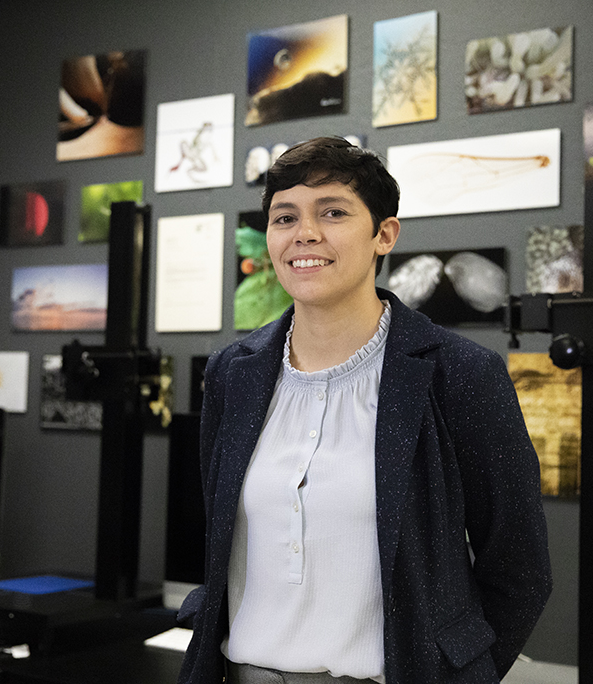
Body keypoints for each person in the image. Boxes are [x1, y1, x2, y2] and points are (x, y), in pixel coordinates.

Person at [177, 137, 551, 684]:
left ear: (384, 234)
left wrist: (462, 673)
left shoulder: (461, 374)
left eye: (332, 212)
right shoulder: (233, 373)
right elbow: (219, 538)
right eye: (285, 217)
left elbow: (519, 568)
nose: (305, 232)